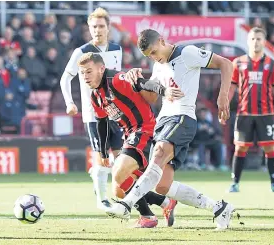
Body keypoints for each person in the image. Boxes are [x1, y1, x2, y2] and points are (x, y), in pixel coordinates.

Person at [105, 29, 235, 230]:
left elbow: (225, 63)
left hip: (182, 117)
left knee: (157, 155)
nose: (154, 57)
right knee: (162, 185)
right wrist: (137, 82)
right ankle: (219, 208)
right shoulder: (157, 66)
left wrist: (223, 95)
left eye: (155, 52)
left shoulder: (187, 53)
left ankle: (126, 204)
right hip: (163, 122)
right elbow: (152, 99)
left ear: (162, 41)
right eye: (149, 56)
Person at [78, 52, 182, 228]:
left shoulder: (116, 79)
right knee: (119, 190)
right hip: (130, 135)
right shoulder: (96, 96)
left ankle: (148, 217)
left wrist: (164, 91)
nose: (85, 77)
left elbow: (142, 83)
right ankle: (165, 202)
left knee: (119, 174)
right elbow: (102, 123)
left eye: (89, 71)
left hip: (146, 129)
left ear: (101, 68)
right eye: (82, 73)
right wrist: (104, 152)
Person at [60, 8, 123, 210]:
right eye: (94, 26)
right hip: (94, 114)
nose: (97, 30)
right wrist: (70, 102)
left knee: (121, 157)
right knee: (102, 156)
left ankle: (122, 194)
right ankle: (102, 198)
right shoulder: (82, 52)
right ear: (89, 28)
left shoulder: (116, 49)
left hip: (116, 112)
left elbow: (116, 81)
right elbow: (65, 78)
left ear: (108, 27)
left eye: (101, 26)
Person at [224, 27, 274, 193]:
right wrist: (224, 107)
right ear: (248, 41)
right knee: (240, 148)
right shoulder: (238, 63)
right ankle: (235, 183)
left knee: (270, 148)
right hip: (244, 114)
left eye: (259, 39)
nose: (256, 42)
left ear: (264, 42)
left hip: (266, 114)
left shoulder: (272, 65)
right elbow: (231, 88)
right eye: (253, 38)